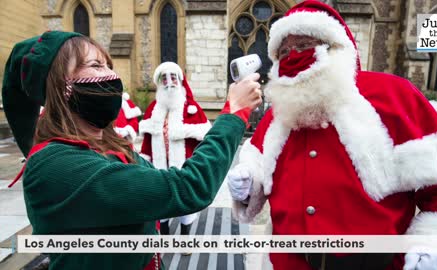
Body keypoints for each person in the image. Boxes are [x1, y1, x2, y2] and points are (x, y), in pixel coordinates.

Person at [227, 1, 437, 270]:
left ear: (335, 45)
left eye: (303, 45)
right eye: (284, 50)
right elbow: (258, 163)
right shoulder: (279, 114)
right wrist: (248, 183)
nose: (293, 56)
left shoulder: (394, 96)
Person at [2, 31, 262, 270]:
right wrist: (234, 113)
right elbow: (188, 188)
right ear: (60, 85)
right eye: (95, 66)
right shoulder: (56, 166)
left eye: (108, 66)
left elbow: (161, 184)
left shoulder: (108, 146)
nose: (112, 76)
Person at [139, 62, 212, 238]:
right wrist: (144, 158)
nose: (169, 83)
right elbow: (148, 139)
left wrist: (197, 164)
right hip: (159, 165)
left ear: (180, 81)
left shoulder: (191, 109)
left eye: (173, 78)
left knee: (184, 199)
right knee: (161, 199)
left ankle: (185, 234)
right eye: (164, 79)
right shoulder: (153, 109)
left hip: (184, 165)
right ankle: (163, 232)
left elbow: (203, 138)